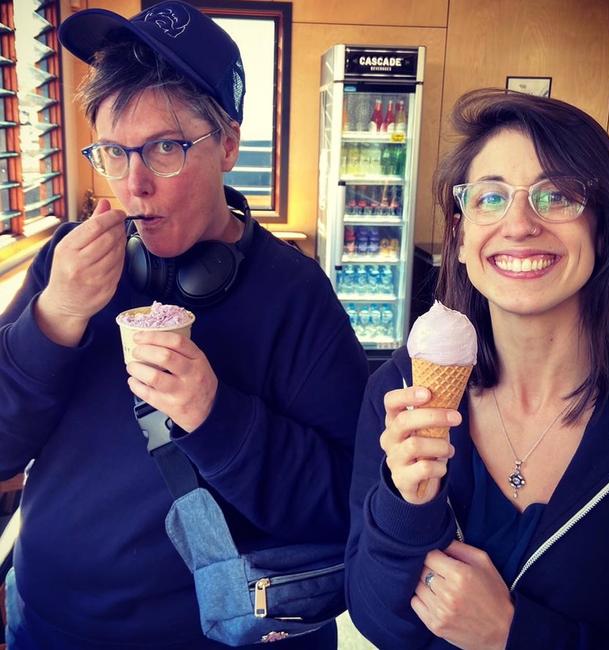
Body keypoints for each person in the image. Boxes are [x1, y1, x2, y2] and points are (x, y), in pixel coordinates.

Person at [0, 2, 368, 648]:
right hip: (48, 624)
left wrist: (216, 416)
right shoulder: (68, 263)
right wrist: (51, 321)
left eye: (164, 148)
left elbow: (348, 508)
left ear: (227, 144)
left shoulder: (296, 298)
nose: (133, 185)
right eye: (114, 152)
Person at [346, 87, 609, 649]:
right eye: (490, 198)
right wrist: (405, 503)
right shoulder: (399, 391)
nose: (518, 224)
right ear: (460, 237)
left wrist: (514, 634)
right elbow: (378, 623)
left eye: (556, 195)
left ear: (603, 229)